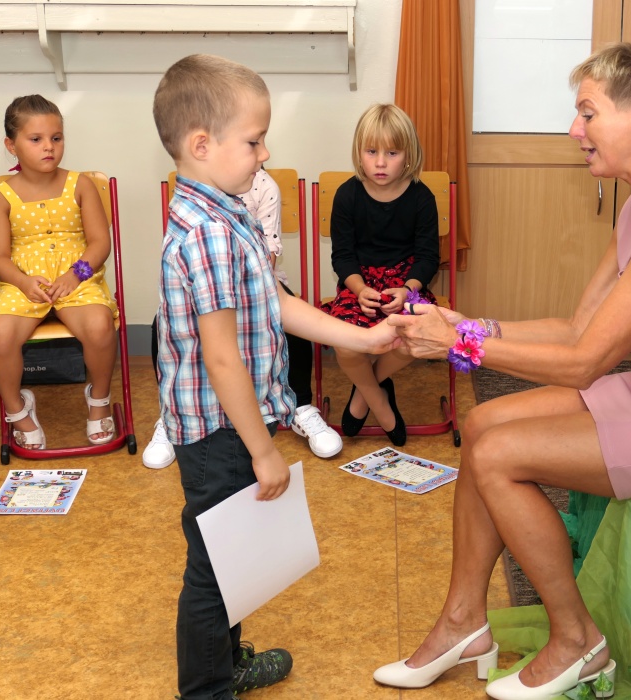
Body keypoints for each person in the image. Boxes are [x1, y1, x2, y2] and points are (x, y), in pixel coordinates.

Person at [379, 43, 631, 700]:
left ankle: (577, 641)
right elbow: (576, 327)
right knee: (481, 426)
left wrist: (461, 346)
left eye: (587, 113)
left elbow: (585, 360)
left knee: (498, 456)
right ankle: (463, 622)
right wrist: (467, 327)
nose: (574, 130)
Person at [152, 54, 400, 700]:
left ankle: (224, 665)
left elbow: (277, 303)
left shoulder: (228, 211)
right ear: (201, 145)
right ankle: (206, 689)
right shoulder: (207, 235)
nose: (265, 154)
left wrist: (364, 338)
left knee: (232, 552)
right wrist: (263, 451)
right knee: (214, 568)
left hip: (233, 421)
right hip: (219, 431)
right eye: (254, 141)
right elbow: (221, 359)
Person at [142, 168, 342, 469]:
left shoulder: (264, 185)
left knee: (292, 327)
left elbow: (267, 253)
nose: (262, 154)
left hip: (259, 281)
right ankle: (173, 416)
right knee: (162, 325)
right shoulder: (196, 193)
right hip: (209, 283)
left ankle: (300, 404)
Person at [0, 95, 119, 450]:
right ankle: (18, 411)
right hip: (23, 282)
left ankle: (99, 400)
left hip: (77, 278)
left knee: (100, 326)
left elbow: (100, 242)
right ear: (11, 145)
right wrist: (22, 281)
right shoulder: (2, 196)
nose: (49, 146)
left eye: (56, 138)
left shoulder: (80, 185)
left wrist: (76, 275)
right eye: (36, 139)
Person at [321, 103, 440, 447]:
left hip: (405, 283)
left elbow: (428, 257)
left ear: (409, 154)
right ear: (359, 152)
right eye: (372, 152)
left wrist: (407, 289)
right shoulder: (347, 195)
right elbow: (343, 257)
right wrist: (358, 289)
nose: (381, 162)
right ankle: (381, 402)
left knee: (413, 336)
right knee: (345, 343)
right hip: (359, 283)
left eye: (392, 152)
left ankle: (364, 393)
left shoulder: (421, 198)